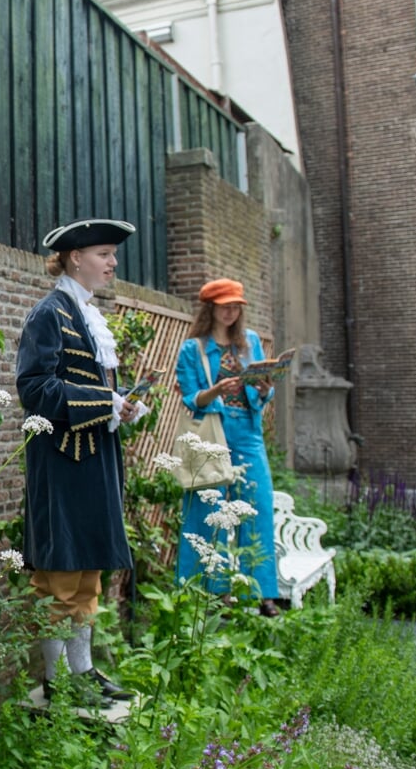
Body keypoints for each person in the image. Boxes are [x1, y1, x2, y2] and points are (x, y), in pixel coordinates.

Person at [16, 218, 149, 706]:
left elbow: (97, 391)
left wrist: (122, 405)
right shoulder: (48, 314)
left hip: (94, 458)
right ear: (75, 257)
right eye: (103, 254)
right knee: (60, 578)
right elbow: (34, 388)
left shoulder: (87, 314)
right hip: (62, 462)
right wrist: (105, 402)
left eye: (112, 255)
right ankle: (56, 680)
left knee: (88, 573)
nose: (113, 263)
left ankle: (84, 670)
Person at [172, 278, 281, 616]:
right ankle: (210, 592)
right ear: (211, 308)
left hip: (248, 432)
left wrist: (265, 389)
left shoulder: (249, 343)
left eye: (237, 305)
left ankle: (260, 593)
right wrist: (216, 390)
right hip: (212, 433)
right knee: (207, 510)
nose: (232, 311)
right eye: (226, 305)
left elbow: (265, 393)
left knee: (258, 506)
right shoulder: (194, 349)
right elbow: (191, 398)